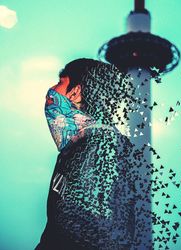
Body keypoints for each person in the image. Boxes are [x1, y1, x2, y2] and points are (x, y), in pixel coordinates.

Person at [35, 58, 137, 250]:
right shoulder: (83, 145)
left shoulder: (102, 144)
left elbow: (89, 228)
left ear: (76, 92)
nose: (51, 91)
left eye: (59, 83)